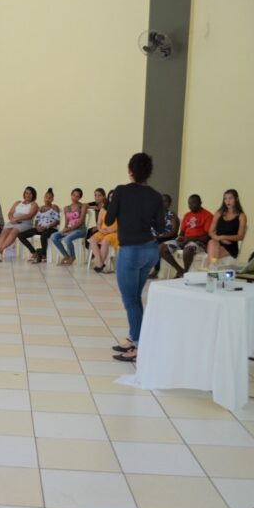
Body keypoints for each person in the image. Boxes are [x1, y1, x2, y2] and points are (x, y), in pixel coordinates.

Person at [105, 153, 166, 362]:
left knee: (130, 300)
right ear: (149, 172)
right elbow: (160, 227)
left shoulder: (121, 191)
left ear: (130, 170)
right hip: (150, 251)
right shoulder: (156, 196)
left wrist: (112, 204)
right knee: (136, 297)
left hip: (131, 251)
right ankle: (134, 336)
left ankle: (139, 346)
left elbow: (109, 219)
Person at [159, 194, 214, 277]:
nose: (190, 206)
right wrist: (180, 239)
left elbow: (208, 236)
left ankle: (186, 271)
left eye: (193, 203)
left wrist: (189, 240)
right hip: (185, 240)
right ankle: (180, 270)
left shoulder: (208, 215)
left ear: (200, 203)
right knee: (161, 248)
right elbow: (182, 232)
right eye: (189, 203)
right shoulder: (187, 215)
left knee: (188, 250)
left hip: (198, 242)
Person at [0, 187, 39, 262]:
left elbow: (30, 215)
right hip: (14, 221)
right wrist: (12, 219)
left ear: (33, 195)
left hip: (25, 223)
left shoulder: (34, 204)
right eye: (26, 193)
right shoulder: (17, 202)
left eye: (30, 193)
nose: (28, 195)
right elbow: (10, 212)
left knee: (14, 231)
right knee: (5, 230)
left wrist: (17, 219)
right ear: (24, 194)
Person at [18, 188, 60, 264]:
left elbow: (57, 221)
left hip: (51, 229)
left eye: (50, 197)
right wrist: (37, 227)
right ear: (44, 198)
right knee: (21, 235)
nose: (47, 199)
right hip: (40, 228)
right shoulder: (40, 208)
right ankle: (34, 252)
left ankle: (44, 255)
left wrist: (47, 226)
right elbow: (36, 220)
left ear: (52, 199)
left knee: (43, 236)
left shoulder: (54, 207)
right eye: (46, 197)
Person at [206, 189, 248, 265]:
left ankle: (211, 267)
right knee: (212, 243)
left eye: (230, 198)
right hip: (217, 242)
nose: (227, 201)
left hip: (230, 246)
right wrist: (219, 239)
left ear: (236, 199)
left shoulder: (241, 216)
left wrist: (223, 237)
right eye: (225, 199)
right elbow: (210, 232)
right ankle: (213, 267)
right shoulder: (219, 213)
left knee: (212, 250)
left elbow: (240, 236)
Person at [50, 188, 88, 265]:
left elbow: (80, 222)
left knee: (67, 239)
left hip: (80, 230)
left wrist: (69, 229)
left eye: (77, 196)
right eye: (73, 195)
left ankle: (72, 256)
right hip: (69, 230)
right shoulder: (66, 208)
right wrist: (65, 229)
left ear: (80, 197)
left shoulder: (83, 206)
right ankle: (66, 255)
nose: (75, 197)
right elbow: (67, 222)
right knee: (54, 236)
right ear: (71, 195)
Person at [148, 194, 180, 279]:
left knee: (157, 246)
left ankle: (156, 271)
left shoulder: (172, 215)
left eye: (165, 201)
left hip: (169, 239)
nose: (163, 203)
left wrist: (159, 237)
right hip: (155, 239)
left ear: (170, 203)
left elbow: (174, 232)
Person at [89, 190, 119, 273]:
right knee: (92, 240)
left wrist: (111, 230)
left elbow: (123, 225)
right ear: (108, 198)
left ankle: (99, 264)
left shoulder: (121, 209)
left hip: (114, 232)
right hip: (103, 231)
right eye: (110, 197)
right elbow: (98, 223)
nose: (112, 199)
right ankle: (100, 263)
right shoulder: (103, 209)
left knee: (105, 241)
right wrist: (100, 229)